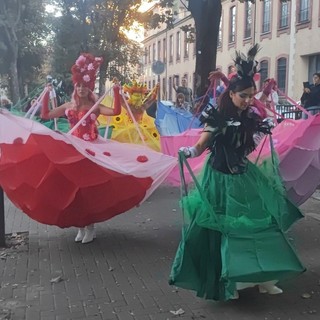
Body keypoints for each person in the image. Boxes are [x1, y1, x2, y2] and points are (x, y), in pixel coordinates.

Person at [169, 44, 304, 301]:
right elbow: (202, 144)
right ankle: (231, 280)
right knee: (224, 230)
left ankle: (264, 277)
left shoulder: (250, 116)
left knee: (261, 225)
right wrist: (190, 151)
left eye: (251, 95)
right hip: (220, 179)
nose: (248, 100)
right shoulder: (218, 117)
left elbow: (255, 131)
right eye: (243, 95)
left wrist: (261, 117)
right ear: (231, 94)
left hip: (244, 177)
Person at [40, 53, 122, 243]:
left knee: (87, 190)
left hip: (92, 152)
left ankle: (90, 226)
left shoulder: (96, 107)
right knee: (73, 189)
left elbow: (116, 111)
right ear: (75, 87)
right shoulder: (69, 105)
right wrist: (45, 94)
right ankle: (80, 225)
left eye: (85, 86)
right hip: (73, 151)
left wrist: (116, 92)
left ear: (89, 87)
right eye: (79, 85)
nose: (82, 88)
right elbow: (45, 114)